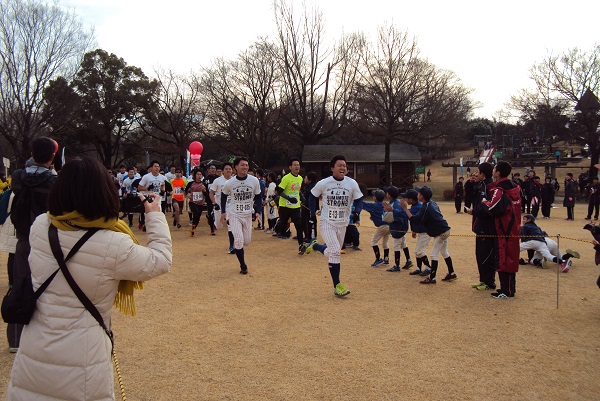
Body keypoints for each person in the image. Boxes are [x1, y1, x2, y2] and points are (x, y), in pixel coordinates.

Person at [6, 156, 172, 400]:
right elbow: (160, 260)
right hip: (84, 355)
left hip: (35, 348)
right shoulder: (114, 243)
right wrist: (155, 215)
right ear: (104, 192)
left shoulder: (41, 226)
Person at [9, 137, 58, 353]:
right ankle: (46, 338)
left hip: (22, 238)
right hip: (47, 240)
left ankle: (16, 338)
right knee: (49, 287)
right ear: (53, 156)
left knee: (20, 285)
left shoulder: (18, 176)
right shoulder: (54, 182)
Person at [305, 155, 364, 297]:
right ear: (332, 168)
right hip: (327, 222)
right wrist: (313, 212)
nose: (342, 167)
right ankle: (337, 286)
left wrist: (357, 212)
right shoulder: (324, 183)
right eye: (339, 165)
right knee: (336, 251)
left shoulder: (352, 183)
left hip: (343, 224)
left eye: (344, 165)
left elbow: (359, 200)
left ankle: (316, 246)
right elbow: (312, 196)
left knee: (333, 252)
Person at [480, 161, 521, 298]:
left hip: (504, 229)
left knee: (503, 259)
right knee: (510, 258)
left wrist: (484, 201)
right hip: (513, 227)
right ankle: (508, 288)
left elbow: (494, 208)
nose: (493, 171)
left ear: (498, 173)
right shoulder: (514, 188)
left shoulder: (500, 189)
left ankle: (506, 290)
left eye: (495, 169)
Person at [399, 186, 456, 284]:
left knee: (434, 254)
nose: (417, 195)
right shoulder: (431, 203)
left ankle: (432, 278)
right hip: (444, 229)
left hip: (441, 232)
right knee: (444, 252)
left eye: (419, 193)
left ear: (422, 196)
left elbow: (415, 220)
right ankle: (452, 273)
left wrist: (405, 209)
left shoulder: (426, 207)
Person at [220, 157, 262, 274]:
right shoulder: (230, 183)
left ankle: (239, 246)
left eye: (247, 165)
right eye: (242, 165)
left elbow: (258, 197)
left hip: (248, 214)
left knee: (246, 241)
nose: (245, 167)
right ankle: (243, 265)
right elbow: (224, 195)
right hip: (234, 214)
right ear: (236, 167)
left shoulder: (254, 181)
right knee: (238, 240)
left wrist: (258, 211)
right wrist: (224, 211)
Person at [466, 162, 497, 291]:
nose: (476, 174)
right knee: (480, 254)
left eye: (478, 172)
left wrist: (474, 211)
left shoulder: (488, 187)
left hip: (486, 227)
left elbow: (487, 208)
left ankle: (488, 281)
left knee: (485, 254)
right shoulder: (481, 185)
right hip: (481, 226)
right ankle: (483, 280)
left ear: (483, 174)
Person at [274, 158, 305, 254]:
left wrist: (302, 197)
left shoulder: (300, 178)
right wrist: (288, 198)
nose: (297, 166)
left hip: (295, 207)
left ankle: (301, 245)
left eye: (298, 165)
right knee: (283, 226)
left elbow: (297, 190)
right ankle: (278, 224)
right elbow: (279, 191)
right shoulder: (286, 178)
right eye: (295, 165)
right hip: (285, 206)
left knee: (299, 226)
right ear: (290, 167)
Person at [0, 191, 18, 352]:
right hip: (17, 227)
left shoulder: (12, 191)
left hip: (13, 226)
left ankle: (13, 282)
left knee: (13, 257)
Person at [382, 186, 413, 271]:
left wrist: (385, 216)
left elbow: (391, 217)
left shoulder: (393, 204)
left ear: (389, 195)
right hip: (403, 227)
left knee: (396, 246)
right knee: (403, 243)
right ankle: (408, 260)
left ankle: (397, 265)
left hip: (397, 227)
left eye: (387, 193)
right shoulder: (398, 202)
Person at [360, 189, 390, 267]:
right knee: (385, 243)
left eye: (374, 196)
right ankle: (386, 259)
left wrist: (357, 198)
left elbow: (364, 205)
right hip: (389, 225)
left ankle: (378, 259)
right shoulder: (385, 204)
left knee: (373, 242)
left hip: (382, 226)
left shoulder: (374, 206)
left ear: (375, 198)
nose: (373, 197)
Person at [210, 162, 235, 252]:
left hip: (230, 207)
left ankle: (232, 246)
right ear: (222, 171)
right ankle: (214, 219)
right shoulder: (217, 181)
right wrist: (214, 203)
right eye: (226, 169)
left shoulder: (235, 180)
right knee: (219, 226)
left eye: (230, 169)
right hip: (219, 206)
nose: (228, 170)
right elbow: (211, 193)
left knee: (230, 225)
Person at [138, 161, 167, 230]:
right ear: (151, 168)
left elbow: (163, 184)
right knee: (148, 212)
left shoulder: (162, 177)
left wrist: (163, 190)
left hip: (157, 197)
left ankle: (157, 226)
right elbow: (139, 187)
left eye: (158, 167)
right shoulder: (146, 177)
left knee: (158, 211)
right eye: (155, 166)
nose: (157, 168)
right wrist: (147, 188)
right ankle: (146, 224)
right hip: (148, 197)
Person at [186, 170, 207, 237]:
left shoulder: (204, 184)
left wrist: (204, 190)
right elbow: (187, 191)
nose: (199, 176)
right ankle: (193, 224)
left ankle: (193, 227)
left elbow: (206, 194)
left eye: (200, 174)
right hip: (192, 201)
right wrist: (188, 194)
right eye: (198, 174)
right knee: (196, 212)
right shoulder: (191, 183)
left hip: (200, 202)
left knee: (198, 216)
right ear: (195, 175)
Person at [203, 164, 219, 235]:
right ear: (208, 170)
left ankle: (215, 223)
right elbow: (204, 190)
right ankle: (212, 229)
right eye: (211, 168)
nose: (213, 170)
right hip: (209, 199)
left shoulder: (218, 179)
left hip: (218, 198)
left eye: (214, 168)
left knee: (218, 213)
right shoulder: (205, 179)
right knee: (211, 213)